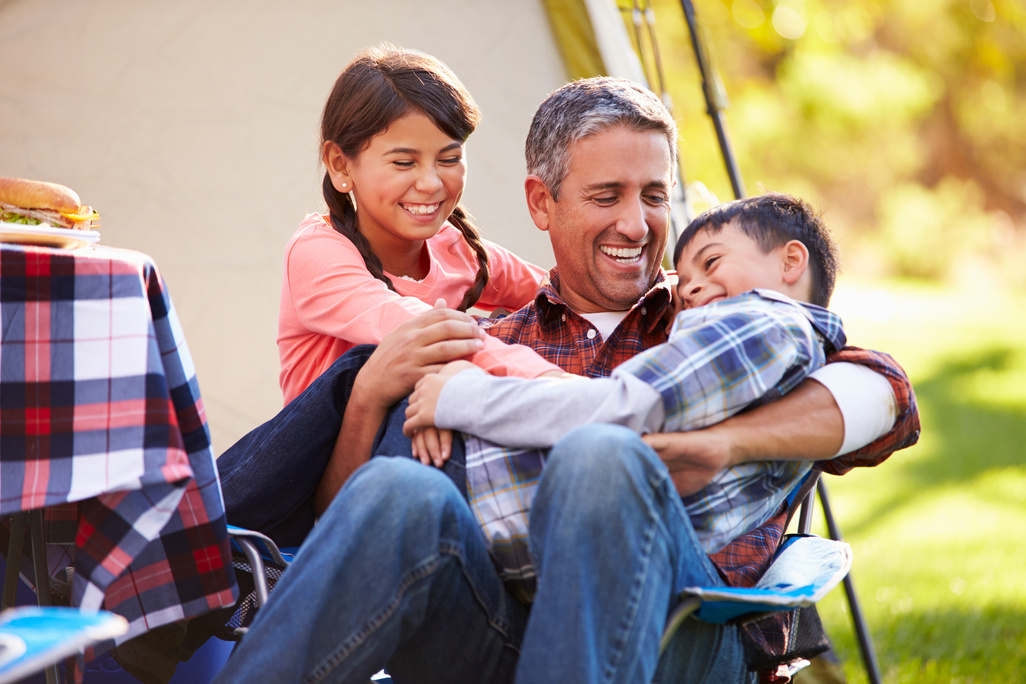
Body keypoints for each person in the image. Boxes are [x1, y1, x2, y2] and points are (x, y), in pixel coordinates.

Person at [213, 78, 919, 683]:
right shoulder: (488, 346)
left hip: (687, 629)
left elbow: (888, 392)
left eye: (653, 195)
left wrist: (724, 442)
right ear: (541, 204)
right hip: (501, 630)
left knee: (602, 455)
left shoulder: (713, 318)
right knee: (399, 491)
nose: (636, 224)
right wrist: (367, 399)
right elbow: (337, 524)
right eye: (606, 195)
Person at [400, 193, 846, 594]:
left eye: (711, 263)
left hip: (529, 520)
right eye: (604, 196)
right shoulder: (789, 360)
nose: (687, 289)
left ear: (791, 262)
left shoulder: (763, 326)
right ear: (542, 202)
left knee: (381, 462)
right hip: (546, 544)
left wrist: (460, 396)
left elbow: (624, 408)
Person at [278, 42, 560, 406]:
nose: (430, 183)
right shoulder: (317, 253)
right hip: (338, 456)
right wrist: (551, 380)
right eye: (403, 163)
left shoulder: (457, 249)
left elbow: (561, 295)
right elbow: (424, 332)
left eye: (449, 158)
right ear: (340, 165)